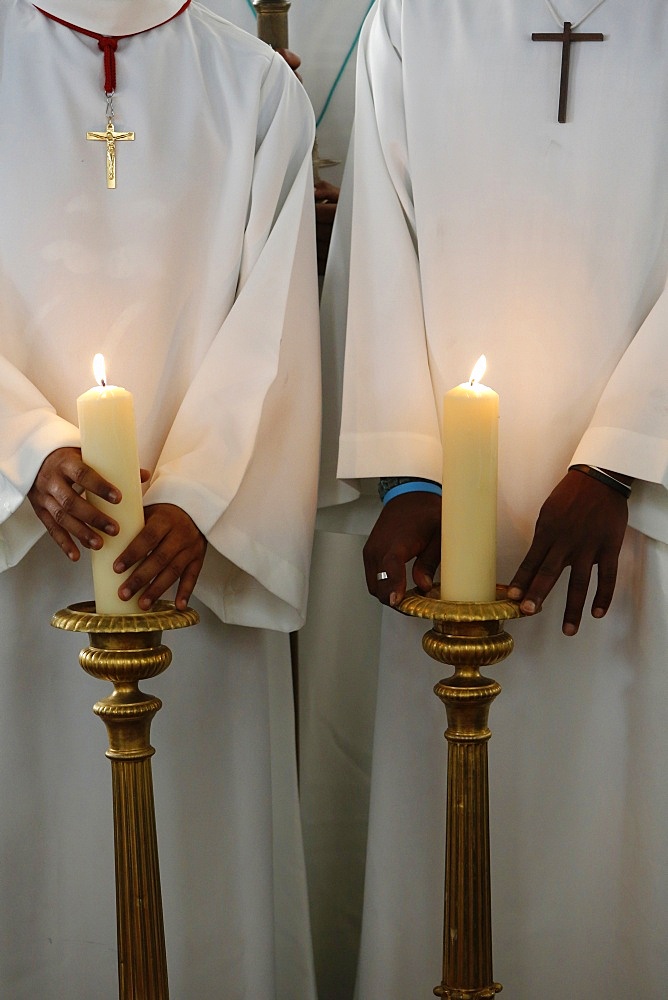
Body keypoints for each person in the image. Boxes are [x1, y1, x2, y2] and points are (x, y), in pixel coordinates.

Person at [331, 0, 668, 997]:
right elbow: (378, 248)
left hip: (642, 513)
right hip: (449, 542)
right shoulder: (413, 18)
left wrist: (617, 459)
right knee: (446, 828)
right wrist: (408, 474)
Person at [0, 1, 320, 997]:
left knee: (203, 859)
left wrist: (194, 495)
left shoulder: (255, 83)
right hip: (25, 551)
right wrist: (28, 452)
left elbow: (277, 314)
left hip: (188, 566)